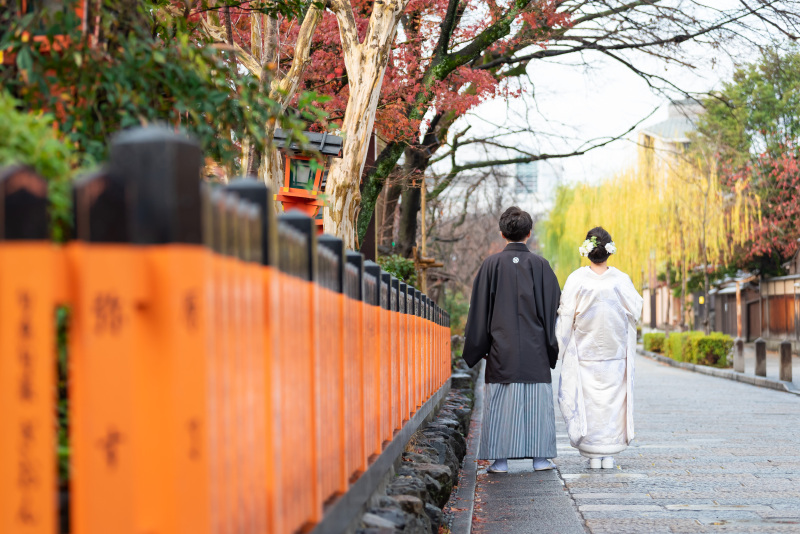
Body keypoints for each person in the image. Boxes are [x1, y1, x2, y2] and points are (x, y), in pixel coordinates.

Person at [462, 206, 561, 473]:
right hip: (535, 349)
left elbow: (479, 309)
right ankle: (540, 459)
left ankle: (499, 461)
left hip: (500, 349)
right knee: (537, 403)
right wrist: (549, 344)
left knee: (500, 403)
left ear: (502, 234)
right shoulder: (541, 266)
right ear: (529, 233)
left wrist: (480, 345)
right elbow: (553, 308)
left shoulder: (490, 265)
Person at [556, 227, 643, 469]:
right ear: (609, 251)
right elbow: (636, 309)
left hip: (585, 352)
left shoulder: (576, 279)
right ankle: (609, 453)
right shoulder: (620, 279)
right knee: (613, 402)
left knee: (588, 402)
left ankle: (593, 453)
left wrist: (559, 347)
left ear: (587, 251)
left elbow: (565, 317)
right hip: (615, 355)